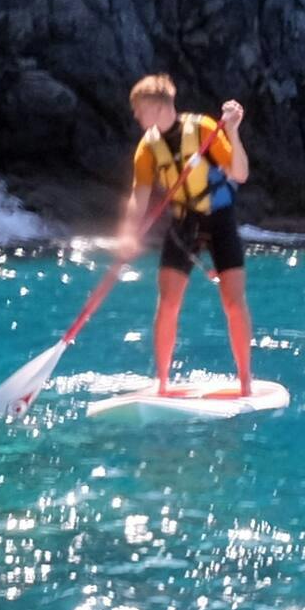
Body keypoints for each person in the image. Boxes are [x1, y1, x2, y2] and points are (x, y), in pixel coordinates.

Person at [117, 75, 253, 396]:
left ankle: (245, 381)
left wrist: (232, 130)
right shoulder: (147, 147)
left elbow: (240, 173)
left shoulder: (204, 128)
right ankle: (162, 383)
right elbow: (140, 195)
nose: (136, 116)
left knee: (233, 302)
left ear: (155, 106)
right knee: (167, 304)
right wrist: (128, 235)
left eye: (139, 110)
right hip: (182, 224)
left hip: (219, 219)